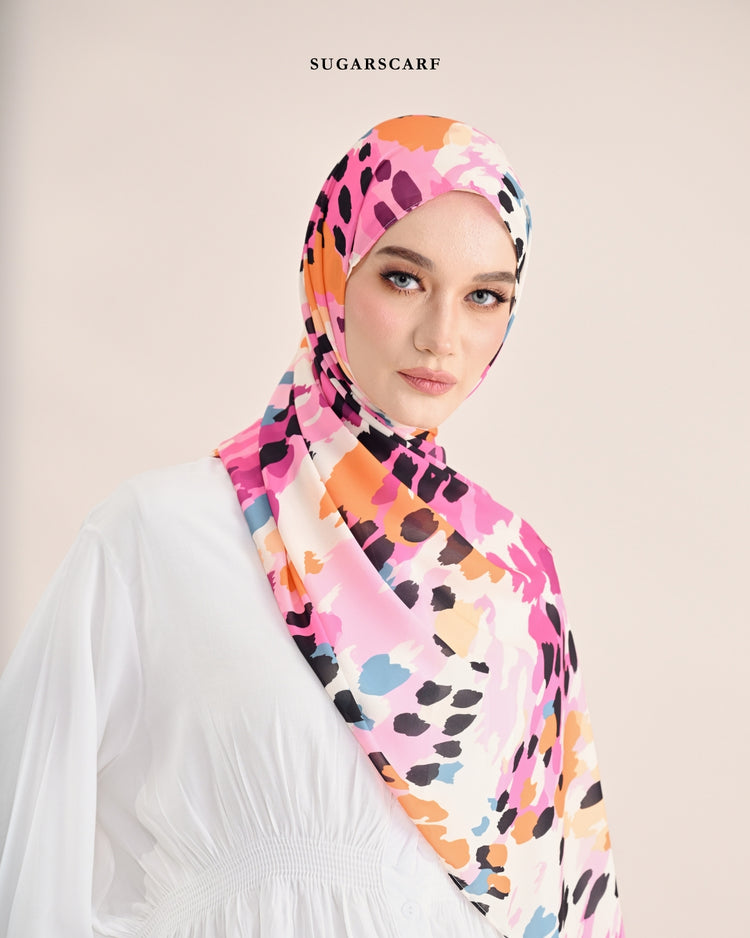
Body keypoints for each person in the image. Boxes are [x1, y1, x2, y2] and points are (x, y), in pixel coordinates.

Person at [0, 115, 625, 937]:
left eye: (484, 296)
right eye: (403, 279)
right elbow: (27, 847)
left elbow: (555, 901)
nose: (442, 336)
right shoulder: (156, 537)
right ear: (330, 274)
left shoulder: (514, 580)